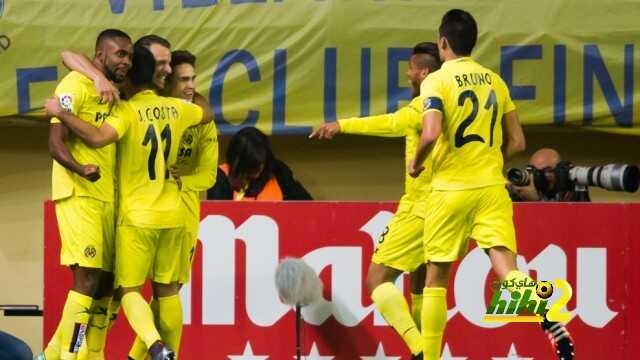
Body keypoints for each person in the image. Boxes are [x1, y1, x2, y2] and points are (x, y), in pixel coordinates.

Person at [408, 10, 574, 360]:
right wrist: (488, 158)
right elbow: (517, 142)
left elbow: (432, 132)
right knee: (508, 271)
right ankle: (548, 312)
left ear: (442, 43)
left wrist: (417, 162)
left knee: (435, 280)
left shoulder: (435, 81)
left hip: (450, 191)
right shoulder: (495, 81)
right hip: (491, 190)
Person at [44, 44, 214, 360]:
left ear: (133, 77)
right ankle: (73, 353)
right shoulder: (179, 109)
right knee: (154, 289)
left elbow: (95, 137)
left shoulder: (127, 110)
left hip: (134, 215)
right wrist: (193, 93)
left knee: (118, 290)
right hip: (165, 213)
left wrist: (62, 113)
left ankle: (138, 347)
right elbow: (207, 113)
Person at [310, 42, 441, 358]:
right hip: (448, 206)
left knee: (377, 280)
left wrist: (341, 125)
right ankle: (426, 350)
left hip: (419, 207)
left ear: (423, 72)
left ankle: (421, 349)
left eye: (410, 68)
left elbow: (387, 123)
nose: (407, 74)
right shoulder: (452, 103)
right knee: (421, 283)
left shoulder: (421, 106)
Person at [38, 29, 132, 360]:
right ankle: (70, 355)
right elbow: (55, 143)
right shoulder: (74, 86)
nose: (126, 61)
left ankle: (62, 355)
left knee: (107, 284)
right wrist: (81, 169)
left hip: (107, 199)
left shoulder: (119, 98)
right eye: (120, 54)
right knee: (88, 279)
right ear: (100, 55)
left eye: (130, 56)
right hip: (78, 194)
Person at [127, 50, 219, 360]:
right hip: (149, 210)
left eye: (193, 78)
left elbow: (208, 174)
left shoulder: (201, 122)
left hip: (181, 212)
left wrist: (182, 181)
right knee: (158, 293)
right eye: (183, 79)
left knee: (166, 291)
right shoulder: (174, 112)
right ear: (167, 81)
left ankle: (149, 354)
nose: (191, 85)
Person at [207, 126, 311, 200]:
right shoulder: (220, 177)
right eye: (252, 165)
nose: (259, 169)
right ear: (238, 163)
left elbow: (307, 207)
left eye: (262, 163)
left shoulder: (278, 171)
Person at [509, 148, 590, 202]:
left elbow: (563, 223)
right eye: (534, 171)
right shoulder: (525, 191)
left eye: (546, 170)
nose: (539, 176)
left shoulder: (570, 188)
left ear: (559, 172)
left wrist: (536, 202)